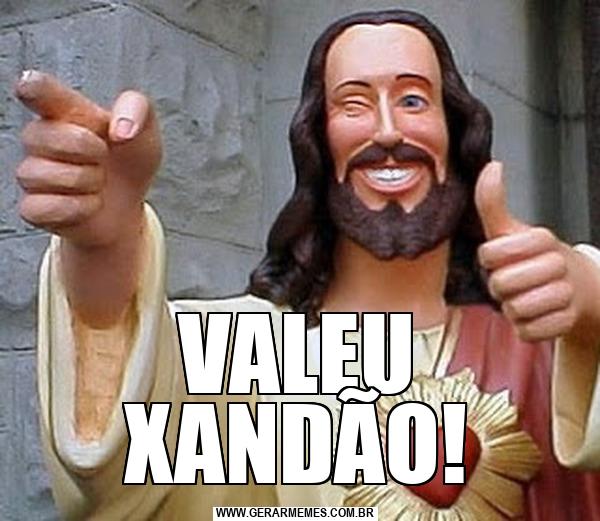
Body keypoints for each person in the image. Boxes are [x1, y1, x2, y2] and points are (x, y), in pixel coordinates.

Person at [13, 9, 600, 521]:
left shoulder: (545, 352)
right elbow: (127, 472)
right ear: (317, 140)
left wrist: (592, 311)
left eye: (413, 100)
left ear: (455, 132)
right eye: (354, 104)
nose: (387, 130)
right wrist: (105, 248)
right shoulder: (245, 355)